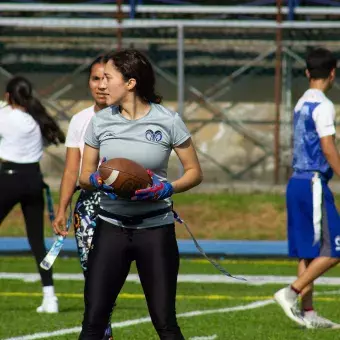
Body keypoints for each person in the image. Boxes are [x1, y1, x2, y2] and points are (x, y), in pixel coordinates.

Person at [76, 49, 203, 339]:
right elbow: (84, 177)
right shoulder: (100, 121)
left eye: (108, 78)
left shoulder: (168, 120)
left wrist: (168, 188)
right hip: (110, 228)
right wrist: (97, 180)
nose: (101, 85)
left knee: (165, 321)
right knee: (94, 321)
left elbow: (195, 172)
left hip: (155, 230)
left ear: (130, 83)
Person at [274, 48, 340, 329]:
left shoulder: (301, 103)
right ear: (333, 74)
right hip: (313, 182)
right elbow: (327, 147)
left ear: (307, 72)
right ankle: (291, 292)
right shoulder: (324, 105)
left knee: (308, 252)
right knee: (335, 249)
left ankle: (309, 312)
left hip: (296, 181)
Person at [53, 56, 114, 339]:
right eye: (95, 78)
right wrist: (61, 209)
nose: (101, 85)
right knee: (94, 278)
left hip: (129, 206)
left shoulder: (134, 116)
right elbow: (70, 170)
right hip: (90, 206)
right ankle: (102, 333)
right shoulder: (80, 119)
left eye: (107, 78)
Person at [0, 76, 65, 313]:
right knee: (37, 241)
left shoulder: (5, 116)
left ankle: (49, 298)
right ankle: (50, 297)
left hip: (9, 177)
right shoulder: (37, 118)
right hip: (33, 179)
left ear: (9, 97)